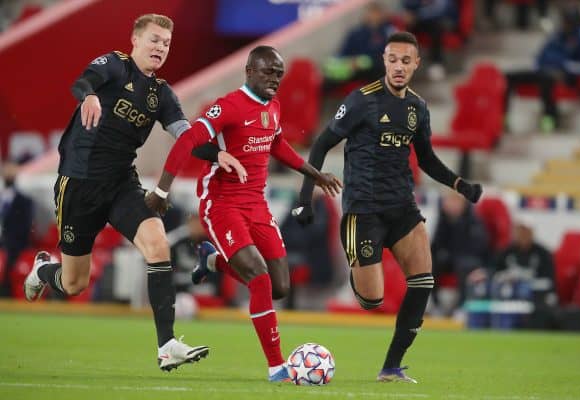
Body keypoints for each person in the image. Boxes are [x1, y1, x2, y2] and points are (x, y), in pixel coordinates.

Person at [22, 13, 245, 371]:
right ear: (136, 40)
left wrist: (216, 153)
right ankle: (44, 272)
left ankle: (167, 345)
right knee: (74, 282)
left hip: (121, 183)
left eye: (167, 44)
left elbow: (186, 136)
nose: (161, 48)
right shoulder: (114, 65)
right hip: (79, 182)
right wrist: (90, 97)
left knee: (157, 243)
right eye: (155, 40)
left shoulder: (161, 94)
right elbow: (83, 83)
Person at [144, 45, 343, 382]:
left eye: (279, 74)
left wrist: (315, 174)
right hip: (221, 204)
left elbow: (277, 145)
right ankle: (277, 366)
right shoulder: (229, 106)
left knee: (279, 286)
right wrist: (162, 190)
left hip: (257, 204)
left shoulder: (274, 106)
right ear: (249, 70)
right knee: (260, 276)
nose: (274, 79)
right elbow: (188, 140)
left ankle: (211, 260)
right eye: (268, 72)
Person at [293, 32, 482, 383]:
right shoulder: (361, 100)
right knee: (372, 301)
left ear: (416, 64)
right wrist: (306, 200)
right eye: (393, 60)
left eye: (406, 61)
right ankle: (359, 266)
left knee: (423, 282)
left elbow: (426, 159)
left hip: (402, 208)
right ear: (384, 60)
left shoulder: (418, 108)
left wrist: (460, 184)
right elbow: (321, 144)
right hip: (362, 211)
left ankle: (391, 367)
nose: (398, 67)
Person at [504, 4, 580, 132]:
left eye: (567, 20)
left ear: (575, 21)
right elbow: (540, 55)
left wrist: (565, 66)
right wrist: (538, 66)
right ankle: (503, 118)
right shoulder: (555, 35)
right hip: (543, 70)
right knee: (508, 77)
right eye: (564, 20)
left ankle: (550, 119)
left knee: (546, 80)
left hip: (567, 75)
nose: (565, 23)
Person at [430, 191, 489, 314]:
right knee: (431, 264)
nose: (451, 205)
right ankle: (433, 303)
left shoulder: (473, 221)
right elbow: (437, 243)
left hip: (469, 259)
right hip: (450, 259)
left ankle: (462, 306)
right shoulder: (443, 220)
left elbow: (477, 247)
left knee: (463, 266)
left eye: (455, 201)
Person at [323, 2, 397, 90]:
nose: (373, 16)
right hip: (353, 67)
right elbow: (343, 52)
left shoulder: (388, 31)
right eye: (370, 12)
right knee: (328, 80)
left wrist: (365, 61)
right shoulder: (356, 33)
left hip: (376, 66)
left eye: (376, 13)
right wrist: (351, 61)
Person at [0, 160, 34, 297]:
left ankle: (5, 293)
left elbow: (25, 227)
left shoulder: (25, 201)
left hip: (14, 245)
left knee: (9, 258)